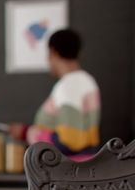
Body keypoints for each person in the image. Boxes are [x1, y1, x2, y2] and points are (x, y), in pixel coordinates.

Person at [10, 29, 101, 160]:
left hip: (68, 172)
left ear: (53, 52)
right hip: (87, 166)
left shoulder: (67, 86)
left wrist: (26, 132)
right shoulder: (89, 81)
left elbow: (70, 141)